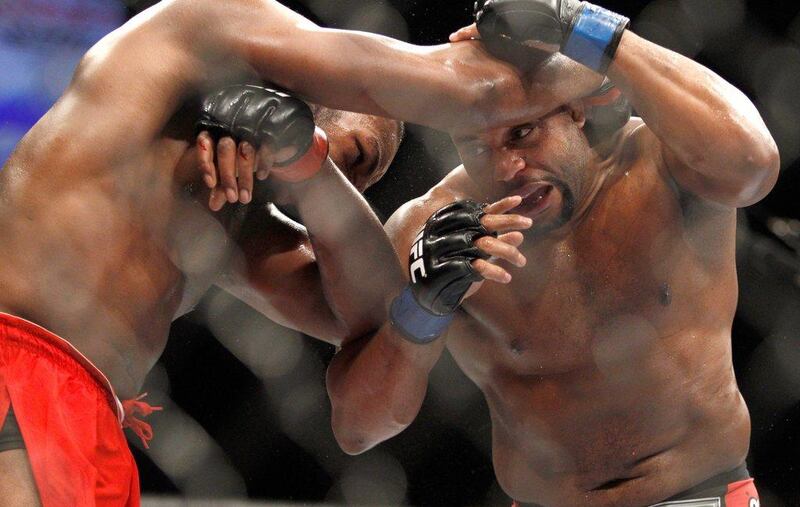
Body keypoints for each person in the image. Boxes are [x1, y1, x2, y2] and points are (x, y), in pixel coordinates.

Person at [0, 0, 559, 503]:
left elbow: (366, 320)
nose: (352, 192)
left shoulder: (232, 226)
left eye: (362, 186)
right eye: (360, 157)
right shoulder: (197, 27)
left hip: (87, 418)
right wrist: (566, 41)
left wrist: (308, 164)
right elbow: (458, 85)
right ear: (323, 83)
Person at [326, 1, 780, 506]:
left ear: (576, 113)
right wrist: (422, 307)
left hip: (700, 493)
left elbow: (753, 163)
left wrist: (583, 24)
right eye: (477, 147)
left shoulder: (664, 160)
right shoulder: (431, 228)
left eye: (523, 132)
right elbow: (358, 428)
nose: (509, 167)